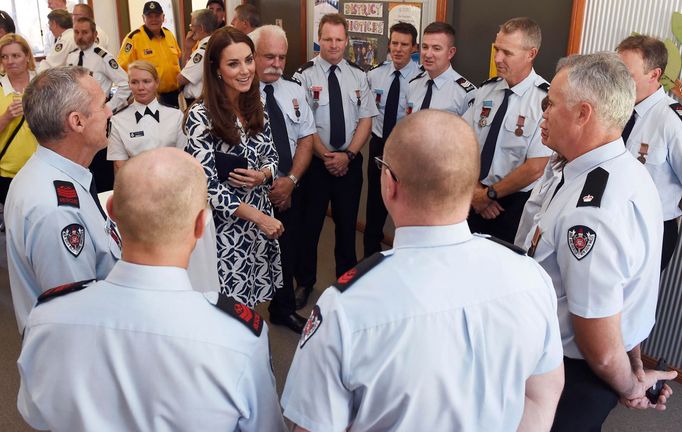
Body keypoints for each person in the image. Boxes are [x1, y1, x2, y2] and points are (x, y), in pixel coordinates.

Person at [281, 110, 565, 431]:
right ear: (471, 182)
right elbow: (543, 393)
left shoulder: (346, 308)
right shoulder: (529, 276)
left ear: (389, 184)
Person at [17, 148, 287, 432]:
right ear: (199, 225)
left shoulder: (48, 317)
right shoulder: (239, 339)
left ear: (112, 213)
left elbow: (35, 413)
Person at [527, 52, 677, 431]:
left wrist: (631, 385)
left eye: (552, 103)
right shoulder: (622, 170)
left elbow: (597, 335)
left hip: (571, 373)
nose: (543, 112)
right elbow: (628, 289)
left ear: (583, 113)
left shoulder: (590, 210)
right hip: (599, 361)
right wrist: (636, 367)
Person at [5, 66, 120, 332]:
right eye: (103, 105)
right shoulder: (56, 211)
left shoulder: (53, 176)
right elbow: (79, 320)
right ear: (77, 121)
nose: (110, 113)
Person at [185, 27, 283, 307]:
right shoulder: (200, 116)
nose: (245, 70)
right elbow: (206, 185)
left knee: (252, 303)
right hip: (227, 230)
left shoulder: (257, 105)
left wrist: (262, 175)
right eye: (233, 63)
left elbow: (273, 159)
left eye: (248, 60)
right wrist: (259, 218)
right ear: (216, 69)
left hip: (259, 220)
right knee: (228, 307)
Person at [293, 13, 378, 308]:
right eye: (327, 39)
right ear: (319, 38)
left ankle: (346, 282)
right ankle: (305, 282)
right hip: (315, 165)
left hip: (349, 164)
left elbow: (366, 120)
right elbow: (304, 123)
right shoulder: (303, 76)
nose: (333, 45)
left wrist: (349, 155)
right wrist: (327, 156)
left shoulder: (359, 75)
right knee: (310, 227)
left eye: (339, 39)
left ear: (346, 40)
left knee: (346, 227)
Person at [464, 17, 552, 243]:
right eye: (496, 50)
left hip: (512, 207)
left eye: (507, 52)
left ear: (531, 54)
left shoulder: (544, 100)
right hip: (474, 195)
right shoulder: (487, 90)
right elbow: (465, 142)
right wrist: (476, 191)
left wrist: (490, 195)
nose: (497, 58)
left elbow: (535, 168)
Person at [251, 25, 315, 333]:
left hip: (291, 185)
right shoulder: (239, 94)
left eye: (282, 57)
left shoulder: (294, 90)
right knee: (252, 254)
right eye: (269, 56)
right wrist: (270, 184)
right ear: (252, 55)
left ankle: (283, 309)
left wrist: (290, 180)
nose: (277, 63)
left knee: (287, 249)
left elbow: (306, 138)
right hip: (253, 193)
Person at [617, 35, 682, 272]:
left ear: (654, 75)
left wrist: (670, 204)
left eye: (628, 76)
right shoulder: (617, 110)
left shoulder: (672, 121)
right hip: (612, 223)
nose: (619, 82)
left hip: (650, 231)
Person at [364, 21, 419, 257]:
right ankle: (369, 258)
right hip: (378, 146)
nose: (398, 49)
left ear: (414, 47)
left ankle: (401, 260)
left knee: (405, 210)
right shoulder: (374, 76)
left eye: (404, 45)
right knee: (374, 207)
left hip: (406, 152)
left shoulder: (420, 80)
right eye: (394, 43)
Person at [108, 60, 185, 172]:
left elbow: (183, 158)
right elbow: (119, 166)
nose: (141, 87)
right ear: (129, 84)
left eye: (146, 81)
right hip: (136, 184)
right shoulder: (118, 120)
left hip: (170, 180)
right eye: (134, 82)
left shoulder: (176, 115)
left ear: (157, 83)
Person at [118, 1, 181, 108]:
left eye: (157, 16)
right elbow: (122, 70)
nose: (154, 19)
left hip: (173, 95)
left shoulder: (169, 35)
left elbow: (178, 59)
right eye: (150, 16)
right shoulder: (134, 38)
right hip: (149, 97)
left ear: (163, 17)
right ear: (143, 18)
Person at [0, 34, 38, 204]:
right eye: (4, 56)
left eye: (16, 55)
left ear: (27, 56)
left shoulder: (42, 84)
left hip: (43, 170)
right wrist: (6, 117)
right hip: (8, 174)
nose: (10, 61)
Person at [406, 22, 475, 115]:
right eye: (425, 47)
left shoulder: (465, 94)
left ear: (450, 53)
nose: (428, 54)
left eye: (436, 48)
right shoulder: (413, 85)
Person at [66, 17, 130, 113]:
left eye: (84, 32)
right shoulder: (72, 56)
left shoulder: (103, 57)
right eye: (76, 32)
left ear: (95, 34)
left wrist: (109, 107)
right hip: (77, 110)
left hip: (97, 111)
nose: (79, 37)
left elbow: (126, 85)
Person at [178, 9, 219, 106]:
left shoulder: (203, 51)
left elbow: (182, 79)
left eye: (191, 26)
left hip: (199, 103)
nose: (190, 29)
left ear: (201, 28)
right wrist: (188, 48)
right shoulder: (213, 43)